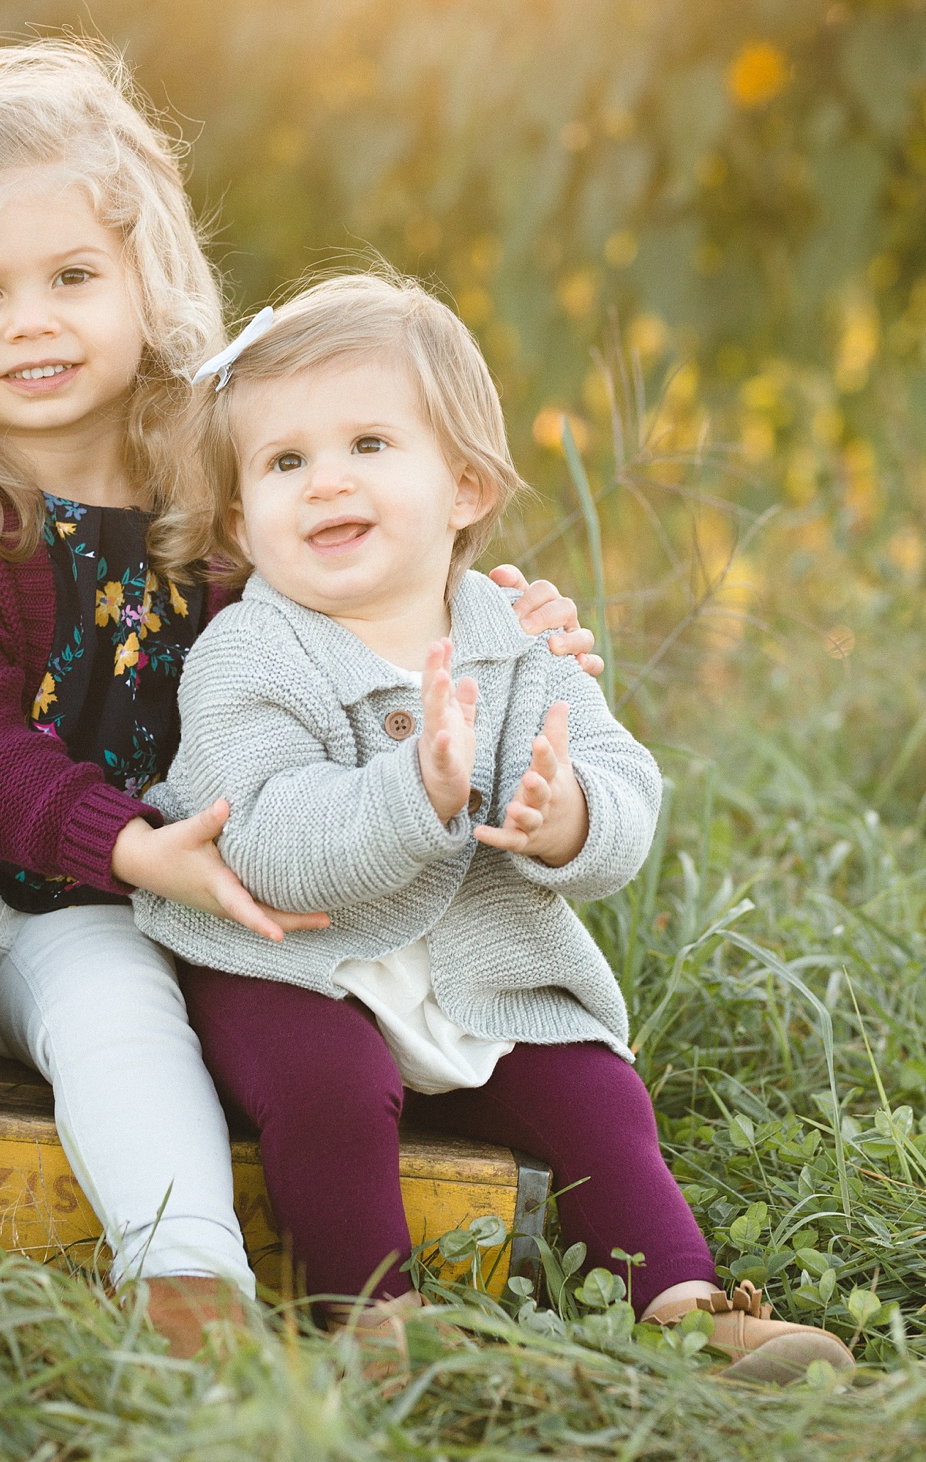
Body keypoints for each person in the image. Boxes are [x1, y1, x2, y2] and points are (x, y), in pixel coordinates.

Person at [0, 41, 599, 1357]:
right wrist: (141, 844)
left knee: (126, 1023)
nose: (34, 320)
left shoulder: (211, 489)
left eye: (73, 277)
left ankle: (189, 1285)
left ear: (143, 282)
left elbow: (349, 600)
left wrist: (492, 625)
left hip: (111, 904)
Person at [135, 273, 854, 1382]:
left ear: (465, 484)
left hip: (481, 964)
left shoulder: (511, 635)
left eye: (369, 443)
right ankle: (373, 1321)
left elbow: (622, 779)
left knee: (594, 1091)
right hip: (291, 959)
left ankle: (682, 1300)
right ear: (240, 520)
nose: (326, 482)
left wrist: (568, 820)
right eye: (284, 464)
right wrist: (409, 797)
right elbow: (260, 831)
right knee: (324, 1092)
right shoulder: (247, 654)